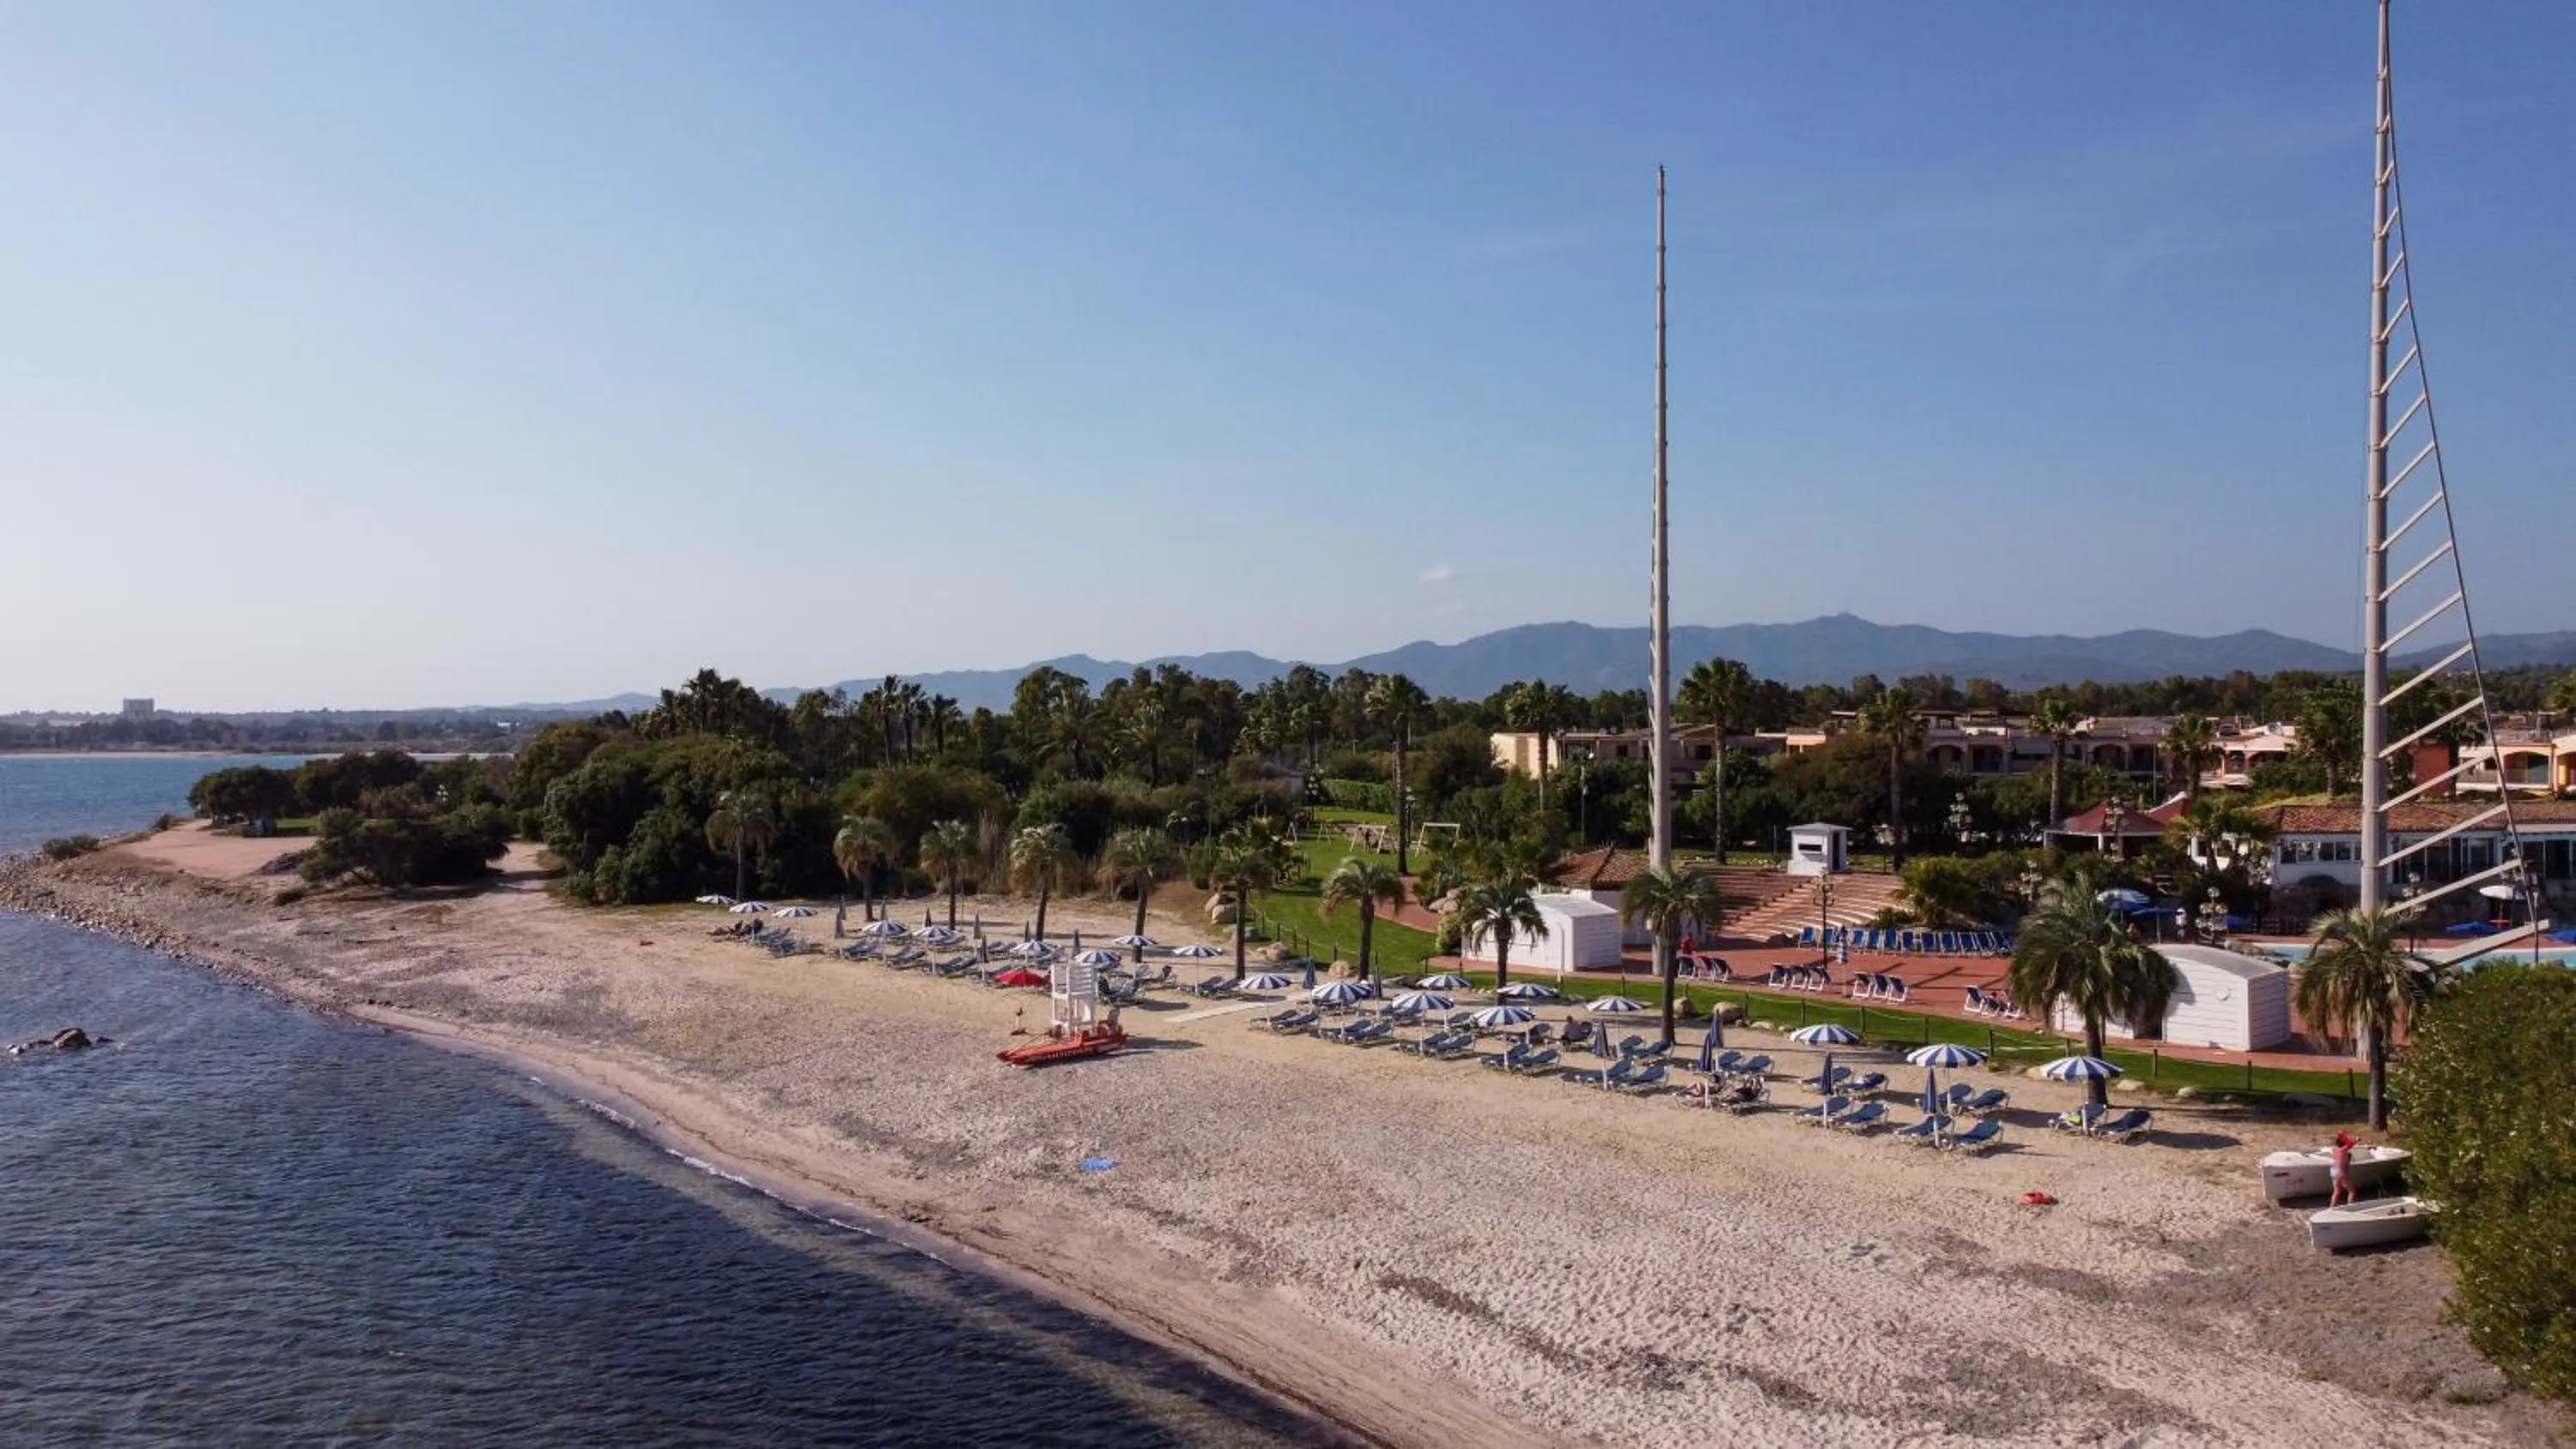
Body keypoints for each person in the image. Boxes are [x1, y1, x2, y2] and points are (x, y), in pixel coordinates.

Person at [2330, 1131, 2357, 1206]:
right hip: (2340, 1171)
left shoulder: (2334, 1149)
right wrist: (2356, 1139)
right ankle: (2350, 1207)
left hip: (2333, 1171)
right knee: (2352, 1191)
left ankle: (2332, 1208)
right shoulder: (2343, 1150)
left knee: (2336, 1191)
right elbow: (2351, 1143)